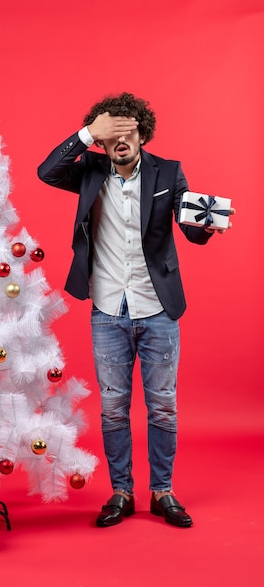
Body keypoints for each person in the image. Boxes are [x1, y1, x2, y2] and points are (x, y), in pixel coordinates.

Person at [37, 92, 234, 528]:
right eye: (113, 132)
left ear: (143, 133)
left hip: (157, 307)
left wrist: (206, 226)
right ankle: (121, 492)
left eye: (130, 130)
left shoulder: (168, 172)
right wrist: (89, 134)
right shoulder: (88, 170)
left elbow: (190, 228)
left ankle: (163, 491)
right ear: (104, 139)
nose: (122, 138)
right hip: (107, 308)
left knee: (163, 406)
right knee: (113, 407)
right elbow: (46, 171)